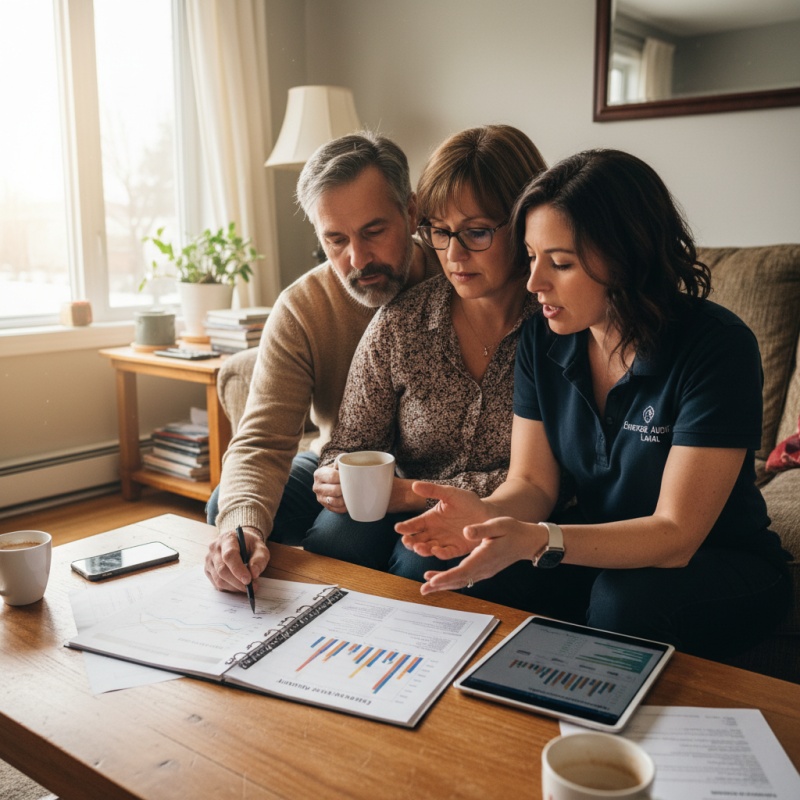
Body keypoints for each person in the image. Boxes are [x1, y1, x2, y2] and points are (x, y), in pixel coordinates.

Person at [396, 149, 792, 659]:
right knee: (445, 573)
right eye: (532, 258)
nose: (535, 283)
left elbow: (676, 535)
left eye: (560, 263)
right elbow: (534, 483)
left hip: (716, 561)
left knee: (620, 602)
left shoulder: (716, 347)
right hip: (601, 551)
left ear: (626, 257)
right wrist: (488, 517)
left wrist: (538, 540)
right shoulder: (543, 337)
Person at [304, 125, 548, 605]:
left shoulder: (556, 327)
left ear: (524, 224)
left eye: (476, 232)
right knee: (336, 541)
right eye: (439, 232)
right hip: (396, 497)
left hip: (507, 512)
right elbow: (349, 445)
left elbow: (548, 479)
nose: (453, 255)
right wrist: (341, 478)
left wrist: (411, 494)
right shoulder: (401, 322)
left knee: (423, 561)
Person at [204, 131, 440, 595]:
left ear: (410, 212)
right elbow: (262, 440)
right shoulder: (302, 307)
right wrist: (242, 529)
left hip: (437, 478)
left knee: (355, 541)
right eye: (335, 240)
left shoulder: (456, 280)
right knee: (226, 511)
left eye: (374, 232)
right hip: (337, 470)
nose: (358, 258)